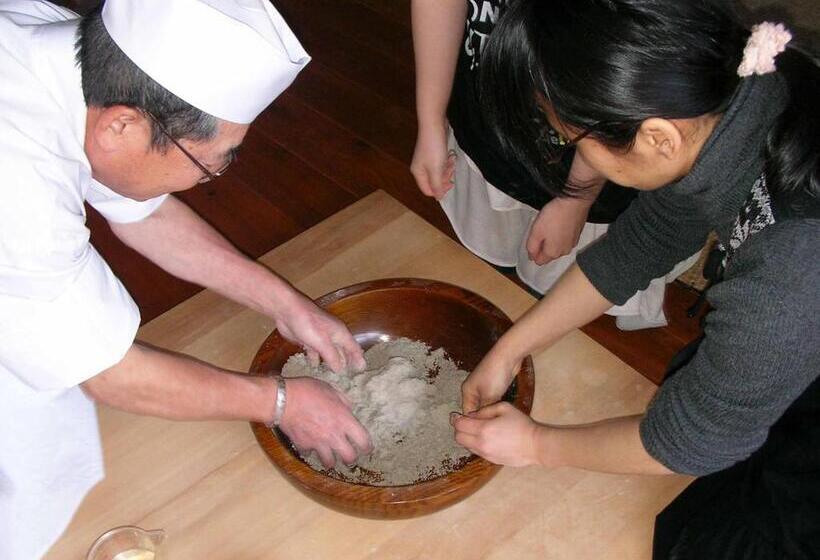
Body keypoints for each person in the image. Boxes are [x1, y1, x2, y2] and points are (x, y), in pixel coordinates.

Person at [0, 1, 372, 558]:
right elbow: (110, 372)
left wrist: (285, 303)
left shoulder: (67, 62)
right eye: (209, 165)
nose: (210, 179)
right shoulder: (17, 187)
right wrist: (281, 404)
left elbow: (137, 206)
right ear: (123, 125)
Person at [450, 0, 819, 557]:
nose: (573, 156)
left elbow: (692, 438)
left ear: (657, 139)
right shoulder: (738, 95)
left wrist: (536, 444)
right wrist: (510, 348)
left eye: (575, 142)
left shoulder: (792, 269)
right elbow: (647, 240)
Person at [410, 0, 699, 330]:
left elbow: (637, 249)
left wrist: (577, 198)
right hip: (491, 126)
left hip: (585, 167)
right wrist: (431, 120)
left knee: (563, 284)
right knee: (500, 263)